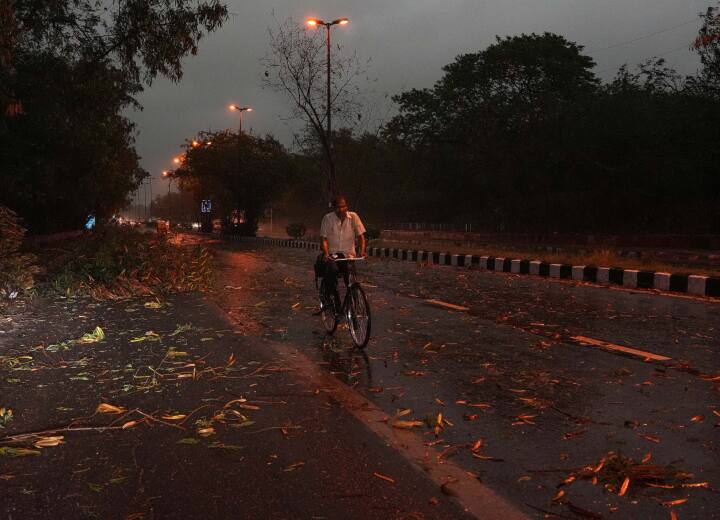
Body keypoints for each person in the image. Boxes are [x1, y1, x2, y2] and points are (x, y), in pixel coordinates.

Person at [319, 195, 367, 308]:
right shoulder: (328, 218)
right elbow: (323, 239)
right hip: (333, 255)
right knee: (332, 272)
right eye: (338, 207)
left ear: (347, 206)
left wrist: (362, 251)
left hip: (348, 256)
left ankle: (354, 305)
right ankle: (331, 298)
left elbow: (361, 237)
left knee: (351, 280)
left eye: (343, 206)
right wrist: (326, 254)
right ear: (334, 208)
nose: (341, 210)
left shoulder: (353, 217)